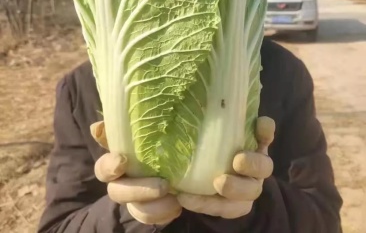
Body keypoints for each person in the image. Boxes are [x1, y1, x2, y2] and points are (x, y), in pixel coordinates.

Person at [37, 38, 343, 233]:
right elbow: (58, 227)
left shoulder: (281, 72)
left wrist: (254, 201)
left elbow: (324, 220)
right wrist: (127, 212)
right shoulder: (83, 89)